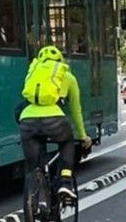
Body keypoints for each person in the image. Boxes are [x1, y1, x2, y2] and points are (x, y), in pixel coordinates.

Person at [17, 42, 88, 203]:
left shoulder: (33, 74)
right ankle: (65, 182)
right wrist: (83, 136)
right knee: (67, 142)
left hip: (28, 122)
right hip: (54, 121)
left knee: (33, 167)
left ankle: (33, 206)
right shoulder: (67, 76)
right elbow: (76, 111)